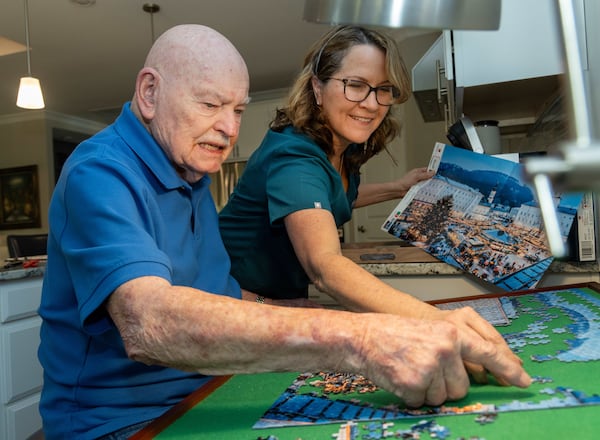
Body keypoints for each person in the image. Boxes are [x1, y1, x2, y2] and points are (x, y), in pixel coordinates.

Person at [37, 24, 530, 440]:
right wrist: (362, 336)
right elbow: (150, 322)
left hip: (209, 386)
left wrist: (306, 312)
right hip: (126, 421)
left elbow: (217, 295)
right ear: (149, 93)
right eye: (210, 104)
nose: (229, 129)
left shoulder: (188, 167)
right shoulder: (99, 171)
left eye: (236, 109)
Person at [219, 24, 526, 381]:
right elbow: (324, 265)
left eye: (383, 90)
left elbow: (327, 197)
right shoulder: (295, 157)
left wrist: (398, 187)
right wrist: (438, 322)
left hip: (282, 305)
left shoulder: (340, 151)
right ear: (317, 87)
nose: (371, 103)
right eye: (355, 85)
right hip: (235, 302)